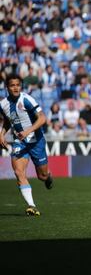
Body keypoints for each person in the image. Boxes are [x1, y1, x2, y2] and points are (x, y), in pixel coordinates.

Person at [0, 74, 53, 216]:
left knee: (42, 176)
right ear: (7, 87)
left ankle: (48, 177)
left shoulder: (27, 99)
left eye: (18, 85)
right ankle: (32, 206)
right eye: (12, 85)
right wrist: (1, 133)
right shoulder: (3, 104)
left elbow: (42, 118)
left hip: (36, 141)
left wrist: (28, 131)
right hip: (20, 142)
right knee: (18, 172)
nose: (16, 88)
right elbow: (7, 120)